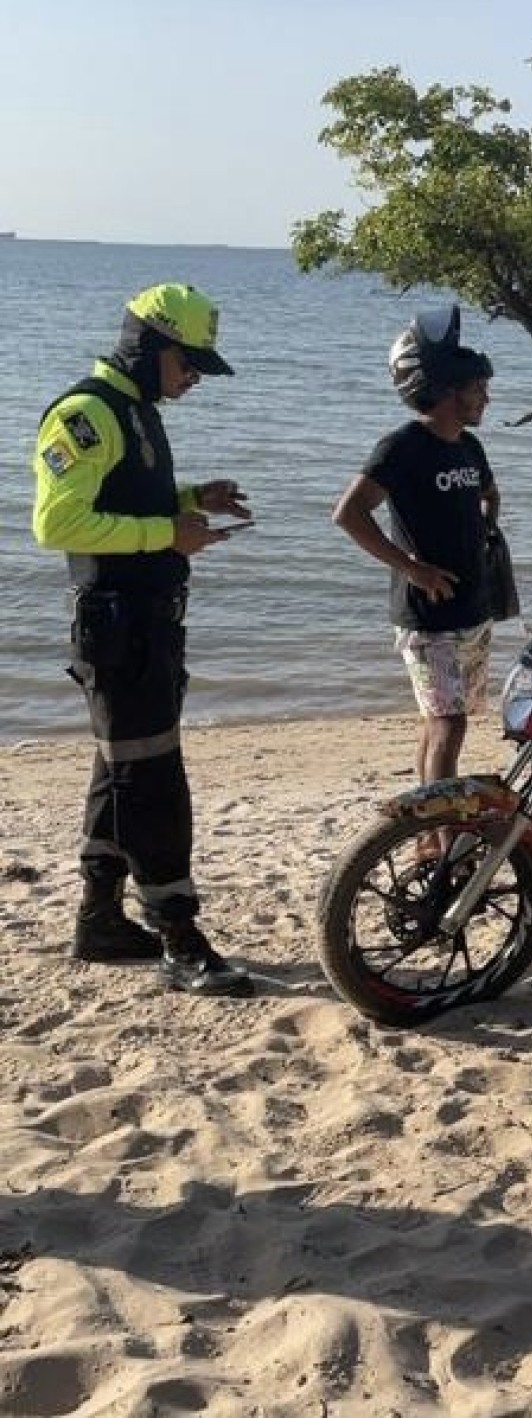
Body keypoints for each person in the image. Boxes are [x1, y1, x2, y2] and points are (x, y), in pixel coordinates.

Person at [31, 283, 255, 997]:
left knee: (119, 769)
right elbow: (55, 523)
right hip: (119, 628)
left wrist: (191, 499)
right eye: (188, 363)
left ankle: (99, 918)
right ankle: (180, 938)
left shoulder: (135, 410)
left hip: (146, 625)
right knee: (153, 779)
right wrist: (168, 533)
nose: (193, 378)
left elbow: (120, 500)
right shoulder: (89, 414)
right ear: (151, 346)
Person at [333, 307, 501, 828]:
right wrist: (414, 569)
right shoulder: (404, 446)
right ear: (450, 391)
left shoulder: (469, 445)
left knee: (442, 724)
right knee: (448, 726)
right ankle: (438, 834)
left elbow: (492, 496)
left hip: (472, 611)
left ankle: (424, 825)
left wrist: (487, 534)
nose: (486, 398)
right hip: (427, 618)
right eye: (478, 388)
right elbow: (349, 514)